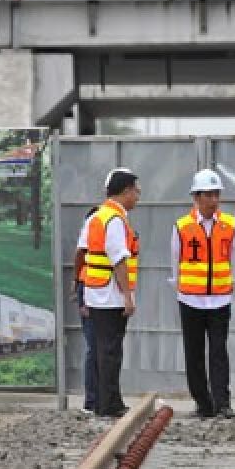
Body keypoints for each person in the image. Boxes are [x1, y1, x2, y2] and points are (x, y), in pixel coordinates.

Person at [170, 168, 235, 419]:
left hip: (220, 299)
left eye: (216, 195)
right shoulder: (181, 226)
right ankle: (202, 402)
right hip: (190, 299)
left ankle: (222, 403)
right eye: (208, 195)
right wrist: (182, 290)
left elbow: (234, 259)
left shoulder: (230, 224)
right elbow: (175, 262)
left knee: (219, 352)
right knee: (194, 352)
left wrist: (228, 286)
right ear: (196, 197)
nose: (213, 200)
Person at [80, 168, 141, 418]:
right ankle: (109, 405)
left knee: (105, 350)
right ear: (125, 191)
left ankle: (107, 401)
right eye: (136, 191)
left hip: (98, 292)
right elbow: (119, 260)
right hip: (110, 295)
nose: (138, 196)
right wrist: (128, 296)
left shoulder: (99, 216)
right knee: (110, 352)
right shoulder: (114, 220)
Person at [73, 205, 99, 413]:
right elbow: (79, 256)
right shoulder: (88, 242)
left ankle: (102, 397)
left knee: (104, 348)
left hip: (101, 293)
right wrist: (82, 301)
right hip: (89, 292)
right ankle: (91, 400)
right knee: (94, 347)